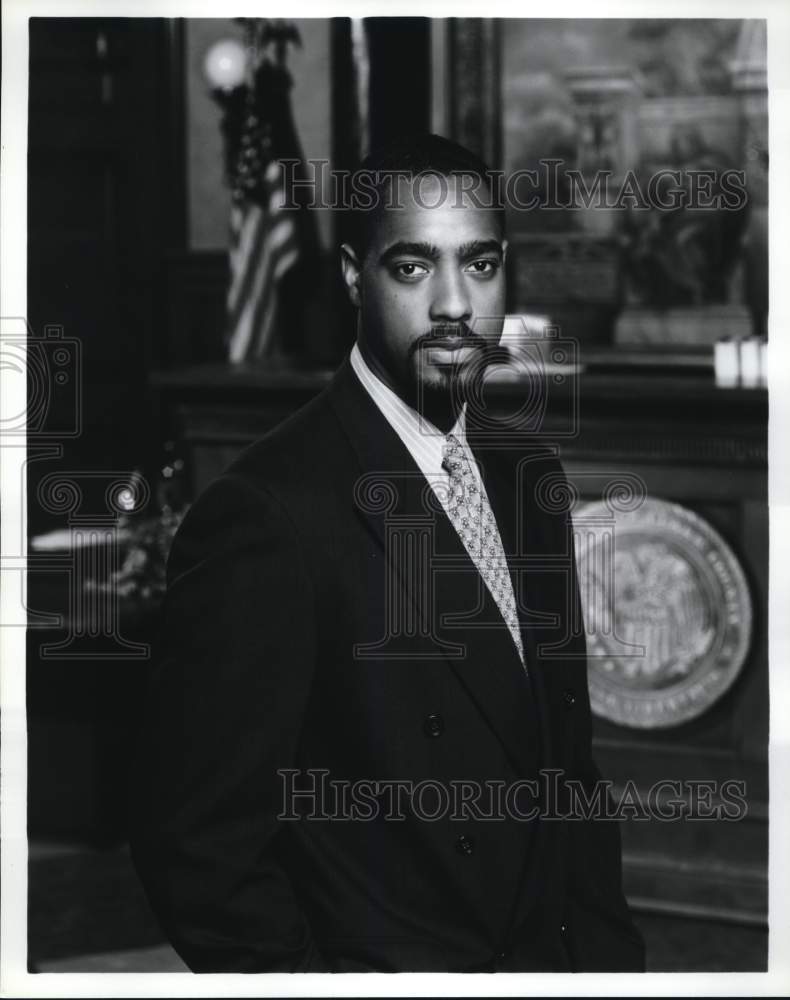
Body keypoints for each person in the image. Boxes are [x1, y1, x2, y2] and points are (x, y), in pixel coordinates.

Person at [130, 134, 645, 973]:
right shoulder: (267, 514)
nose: (454, 303)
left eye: (479, 266)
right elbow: (197, 846)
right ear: (350, 276)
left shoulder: (528, 478)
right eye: (413, 268)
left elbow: (570, 780)